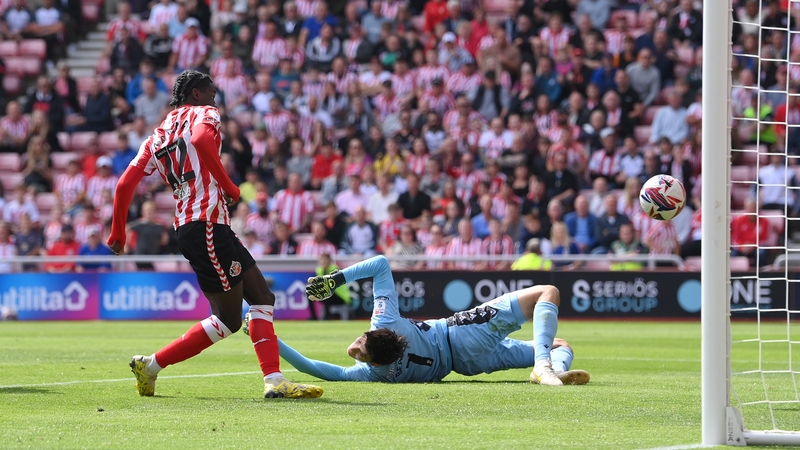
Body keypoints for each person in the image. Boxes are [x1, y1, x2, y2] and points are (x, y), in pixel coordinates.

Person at [106, 69, 322, 399]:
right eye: (211, 93)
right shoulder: (204, 113)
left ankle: (274, 380)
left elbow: (124, 184)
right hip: (205, 223)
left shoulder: (156, 137)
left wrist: (118, 232)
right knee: (228, 319)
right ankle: (151, 366)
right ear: (196, 93)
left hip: (199, 225)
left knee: (262, 297)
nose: (215, 100)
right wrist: (229, 186)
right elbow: (201, 140)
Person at [266, 255, 589, 385]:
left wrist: (269, 339)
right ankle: (544, 367)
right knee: (547, 292)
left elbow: (318, 369)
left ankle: (554, 368)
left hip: (469, 365)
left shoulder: (377, 374)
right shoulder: (384, 322)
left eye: (358, 349)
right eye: (359, 351)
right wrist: (336, 279)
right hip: (463, 335)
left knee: (561, 344)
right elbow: (381, 264)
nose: (352, 350)